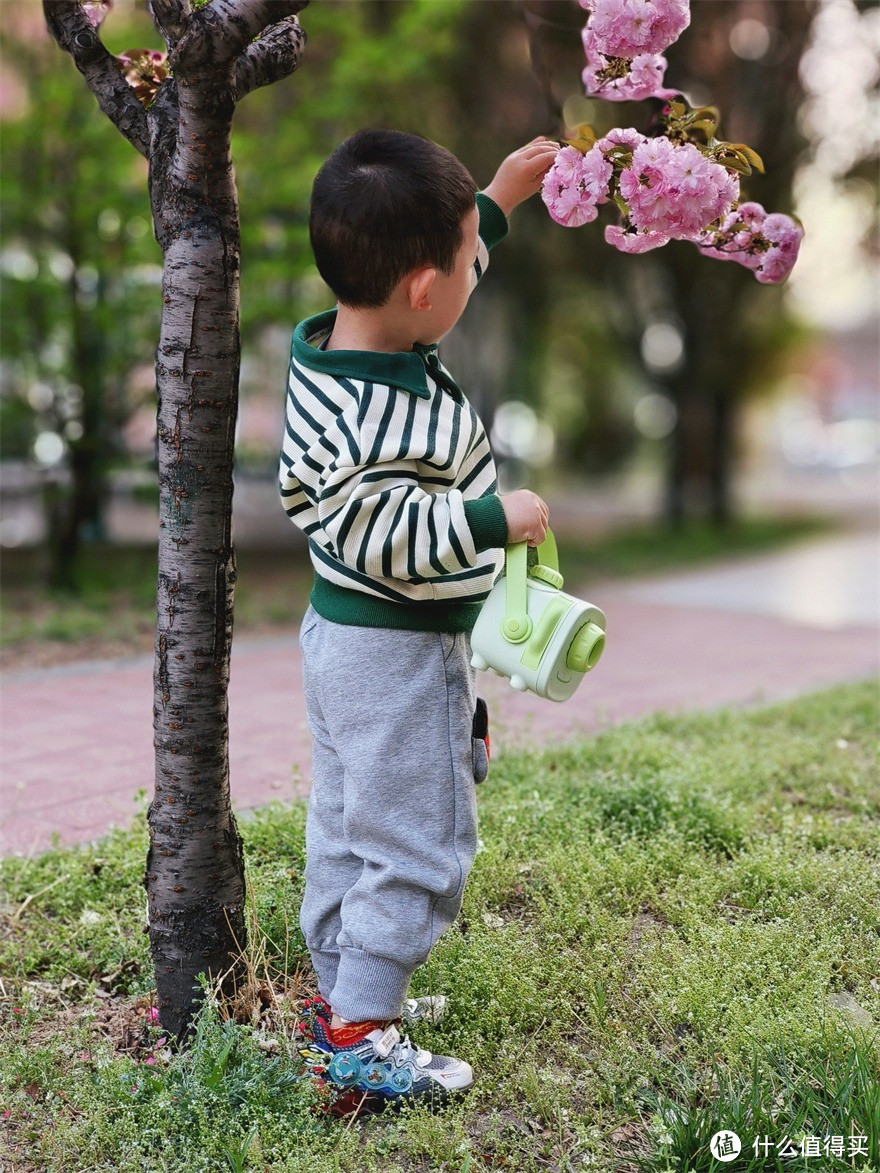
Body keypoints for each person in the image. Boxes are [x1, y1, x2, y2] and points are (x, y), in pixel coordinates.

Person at [279, 128, 556, 1113]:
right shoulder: (366, 421)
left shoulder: (356, 343)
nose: (476, 264)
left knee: (350, 828)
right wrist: (494, 516)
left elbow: (449, 257)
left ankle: (347, 995)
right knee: (416, 838)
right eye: (465, 254)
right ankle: (360, 1044)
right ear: (423, 292)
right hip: (390, 652)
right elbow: (381, 531)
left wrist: (498, 196)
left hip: (345, 645)